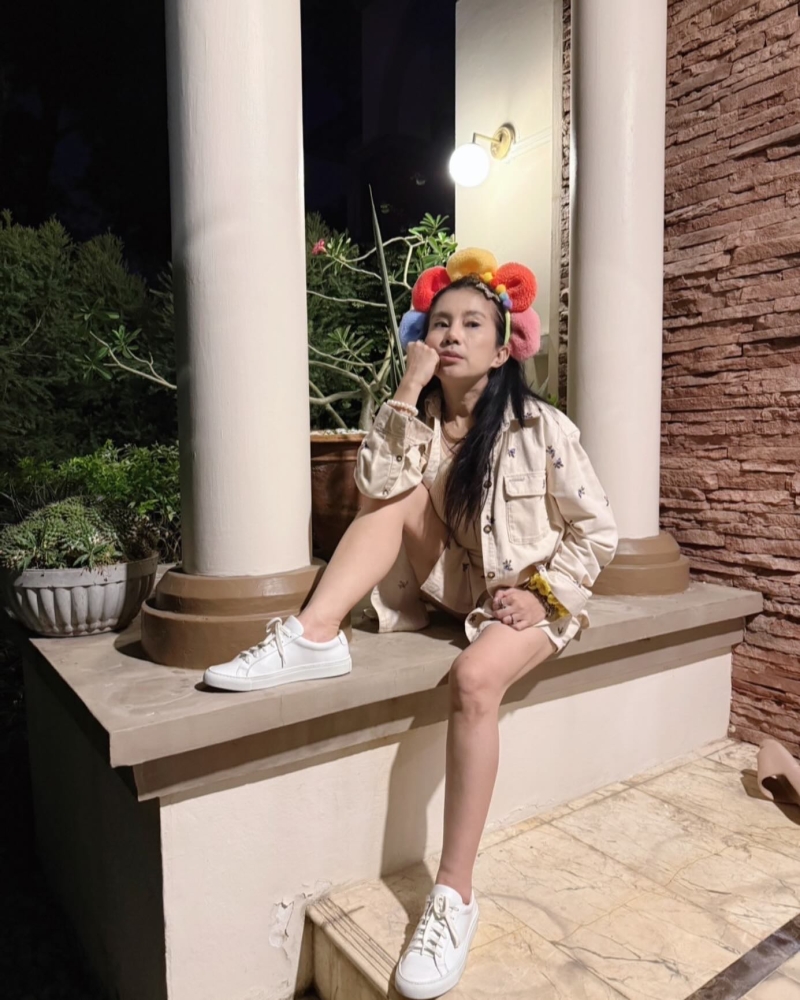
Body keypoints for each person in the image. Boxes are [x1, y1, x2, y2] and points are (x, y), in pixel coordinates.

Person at [204, 248, 618, 999]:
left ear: (504, 348)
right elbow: (373, 486)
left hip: (526, 598)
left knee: (474, 680)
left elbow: (598, 533)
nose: (453, 334)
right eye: (440, 323)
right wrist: (406, 386)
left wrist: (545, 596)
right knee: (393, 493)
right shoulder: (421, 419)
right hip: (454, 584)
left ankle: (453, 895)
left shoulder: (542, 427)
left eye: (473, 324)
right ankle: (313, 636)